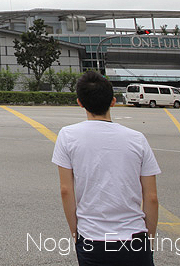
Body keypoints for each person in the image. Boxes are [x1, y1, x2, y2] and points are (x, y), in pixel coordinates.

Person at [52, 71, 160, 266]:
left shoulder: (67, 136)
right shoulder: (137, 139)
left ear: (80, 103)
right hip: (134, 238)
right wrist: (148, 242)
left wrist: (77, 236)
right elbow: (151, 197)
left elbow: (66, 190)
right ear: (113, 101)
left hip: (91, 238)